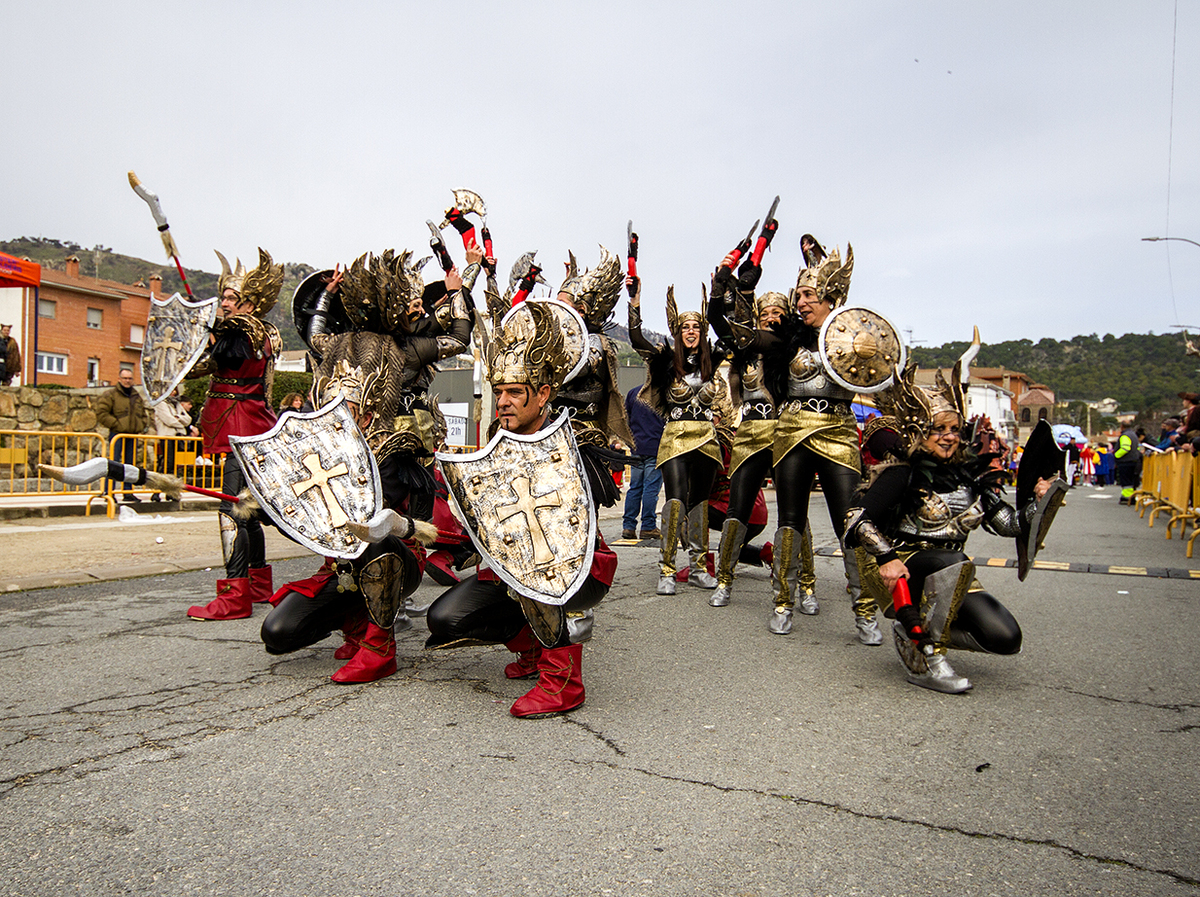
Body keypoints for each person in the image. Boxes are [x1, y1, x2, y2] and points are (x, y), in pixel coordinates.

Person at [425, 301, 618, 718]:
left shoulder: (571, 442)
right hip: (510, 569)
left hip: (575, 566)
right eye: (499, 392)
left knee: (541, 565)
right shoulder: (495, 442)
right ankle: (532, 644)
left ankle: (563, 682)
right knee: (445, 619)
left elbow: (566, 529)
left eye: (515, 392)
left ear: (543, 393)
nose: (504, 402)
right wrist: (414, 530)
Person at [844, 361, 1054, 693]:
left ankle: (913, 633)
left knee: (1005, 637)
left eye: (954, 429)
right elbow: (856, 519)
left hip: (952, 573)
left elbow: (1010, 525)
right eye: (937, 429)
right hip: (900, 570)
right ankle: (931, 659)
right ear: (919, 432)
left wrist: (1040, 502)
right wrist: (886, 558)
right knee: (953, 563)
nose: (949, 437)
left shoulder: (971, 477)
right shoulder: (901, 471)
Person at [260, 361, 435, 683]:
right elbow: (314, 527)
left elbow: (363, 517)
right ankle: (354, 618)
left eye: (342, 410)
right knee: (278, 632)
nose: (330, 420)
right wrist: (272, 509)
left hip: (396, 562)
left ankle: (380, 646)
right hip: (341, 569)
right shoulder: (315, 458)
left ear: (366, 417)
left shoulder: (390, 454)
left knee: (373, 532)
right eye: (324, 411)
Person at [760, 244, 874, 639]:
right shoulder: (785, 338)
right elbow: (742, 337)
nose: (801, 302)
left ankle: (865, 608)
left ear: (830, 299)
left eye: (808, 296)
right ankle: (782, 601)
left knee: (853, 520)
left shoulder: (855, 339)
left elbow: (881, 375)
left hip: (839, 428)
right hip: (791, 428)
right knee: (790, 519)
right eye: (799, 295)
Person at [706, 245, 819, 613]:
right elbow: (720, 319)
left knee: (794, 511)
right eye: (764, 313)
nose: (771, 317)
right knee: (738, 506)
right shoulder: (746, 348)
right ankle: (724, 579)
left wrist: (815, 273)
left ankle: (806, 584)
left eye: (777, 313)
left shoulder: (794, 348)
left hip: (788, 431)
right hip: (751, 431)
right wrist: (725, 278)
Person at [184, 249, 283, 620]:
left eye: (230, 298)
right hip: (247, 421)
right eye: (223, 296)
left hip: (240, 425)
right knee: (247, 510)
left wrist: (208, 332)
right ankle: (257, 585)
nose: (224, 303)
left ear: (250, 303)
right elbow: (199, 367)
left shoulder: (246, 330)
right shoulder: (254, 329)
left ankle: (234, 593)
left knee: (231, 508)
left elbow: (227, 356)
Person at [627, 276, 731, 595]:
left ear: (702, 332)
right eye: (685, 327)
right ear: (677, 331)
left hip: (705, 437)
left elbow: (732, 335)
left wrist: (722, 298)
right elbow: (637, 339)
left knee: (699, 501)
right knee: (675, 499)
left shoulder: (712, 363)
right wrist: (635, 302)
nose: (690, 331)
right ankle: (667, 569)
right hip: (674, 436)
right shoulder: (666, 362)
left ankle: (699, 566)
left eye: (696, 327)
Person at [95, 368, 149, 502]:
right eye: (125, 378)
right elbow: (102, 413)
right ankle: (109, 492)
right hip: (117, 434)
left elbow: (143, 414)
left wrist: (141, 425)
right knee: (113, 464)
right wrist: (117, 425)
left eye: (130, 378)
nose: (127, 381)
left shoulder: (136, 396)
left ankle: (128, 492)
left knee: (130, 465)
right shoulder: (111, 395)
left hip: (132, 435)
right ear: (119, 379)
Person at [622, 386, 665, 540]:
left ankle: (629, 526)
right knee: (650, 488)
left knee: (634, 488)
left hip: (636, 446)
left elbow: (625, 417)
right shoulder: (662, 393)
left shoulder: (633, 393)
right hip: (655, 446)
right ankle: (648, 525)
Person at [1114, 423, 1142, 504]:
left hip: (1125, 461)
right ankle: (1131, 496)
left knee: (1126, 481)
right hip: (1134, 460)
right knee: (1131, 480)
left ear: (1122, 427)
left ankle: (1127, 497)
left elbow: (1125, 448)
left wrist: (1116, 455)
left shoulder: (1125, 436)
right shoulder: (1134, 435)